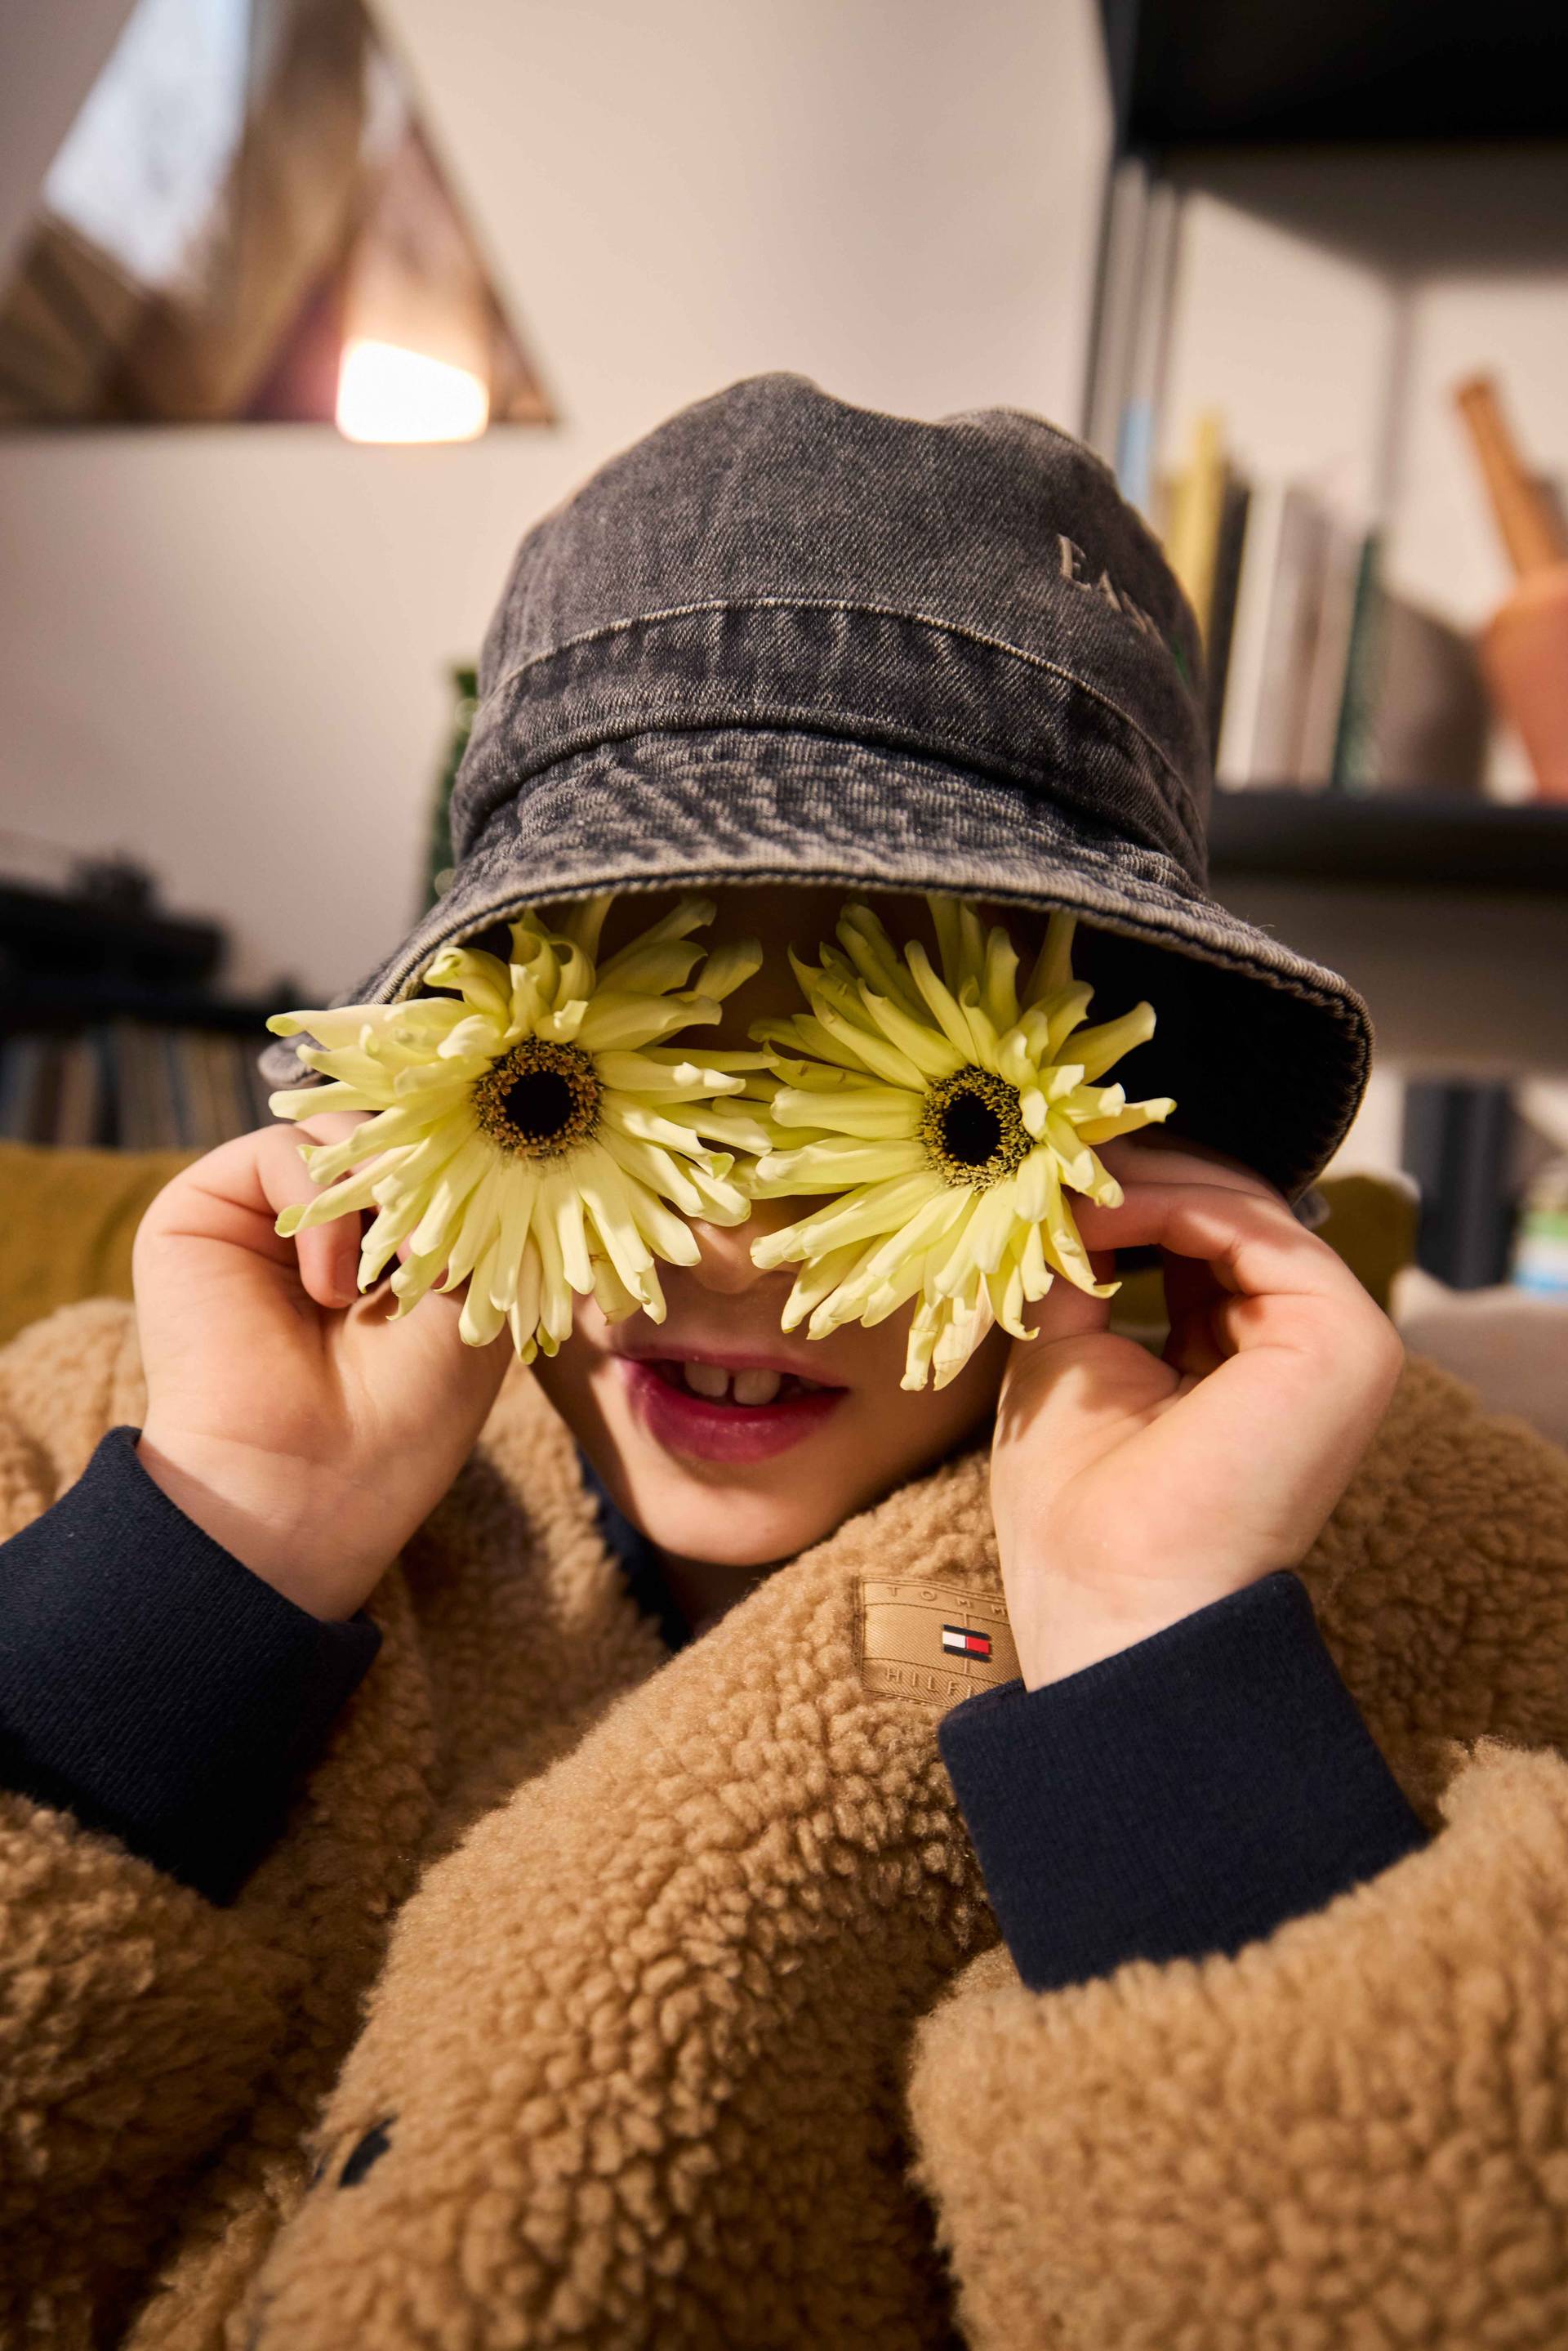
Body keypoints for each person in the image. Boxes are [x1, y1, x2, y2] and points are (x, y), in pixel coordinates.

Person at [2, 376, 1566, 2350]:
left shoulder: (1425, 1566)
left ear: (1126, 1126)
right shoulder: (108, 1435)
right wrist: (203, 1564)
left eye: (893, 1110)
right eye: (595, 1086)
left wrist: (1171, 1685)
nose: (732, 1249)